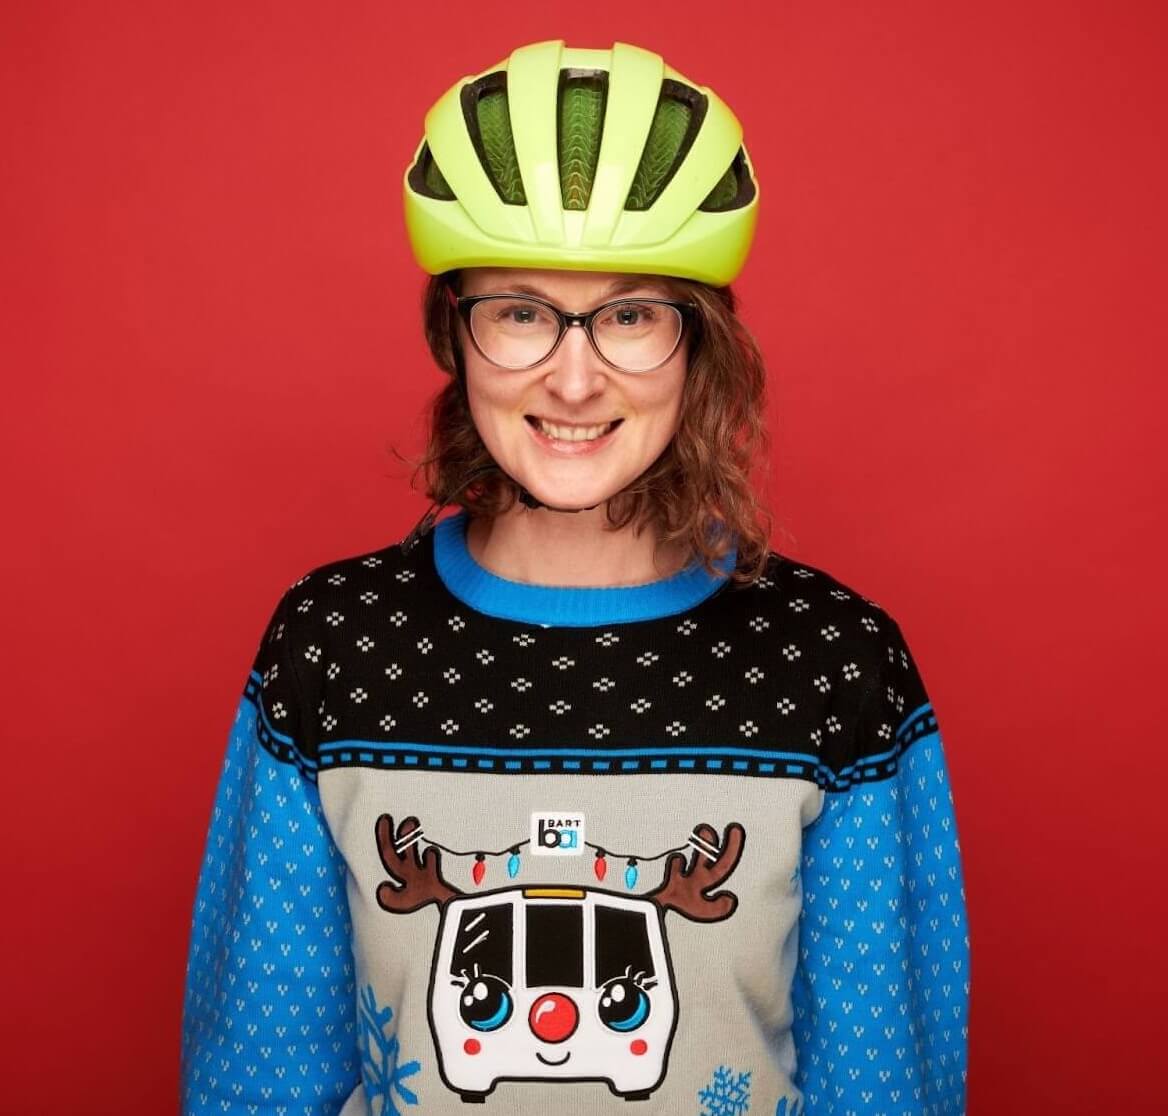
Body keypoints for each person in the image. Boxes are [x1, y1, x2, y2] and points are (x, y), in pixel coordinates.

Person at [180, 39, 970, 1116]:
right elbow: (258, 1079)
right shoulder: (332, 643)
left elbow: (884, 1087)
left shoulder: (835, 659)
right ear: (455, 334)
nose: (574, 376)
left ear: (701, 345)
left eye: (630, 315)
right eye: (520, 312)